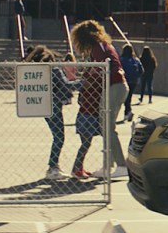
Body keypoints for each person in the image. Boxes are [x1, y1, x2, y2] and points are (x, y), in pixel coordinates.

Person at [69, 20, 129, 179]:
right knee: (106, 127)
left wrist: (88, 78)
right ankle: (108, 166)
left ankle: (121, 165)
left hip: (114, 86)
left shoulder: (99, 48)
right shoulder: (103, 46)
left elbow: (103, 69)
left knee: (107, 127)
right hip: (116, 86)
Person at [25, 46, 79, 181]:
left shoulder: (38, 71)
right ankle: (52, 167)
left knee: (57, 135)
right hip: (54, 105)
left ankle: (53, 166)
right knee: (59, 136)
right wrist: (83, 83)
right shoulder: (54, 70)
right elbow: (66, 84)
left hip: (45, 105)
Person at [120, 44, 144, 121]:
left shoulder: (121, 59)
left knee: (125, 97)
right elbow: (141, 71)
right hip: (134, 81)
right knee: (129, 96)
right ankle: (128, 112)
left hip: (124, 80)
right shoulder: (136, 60)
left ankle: (127, 112)